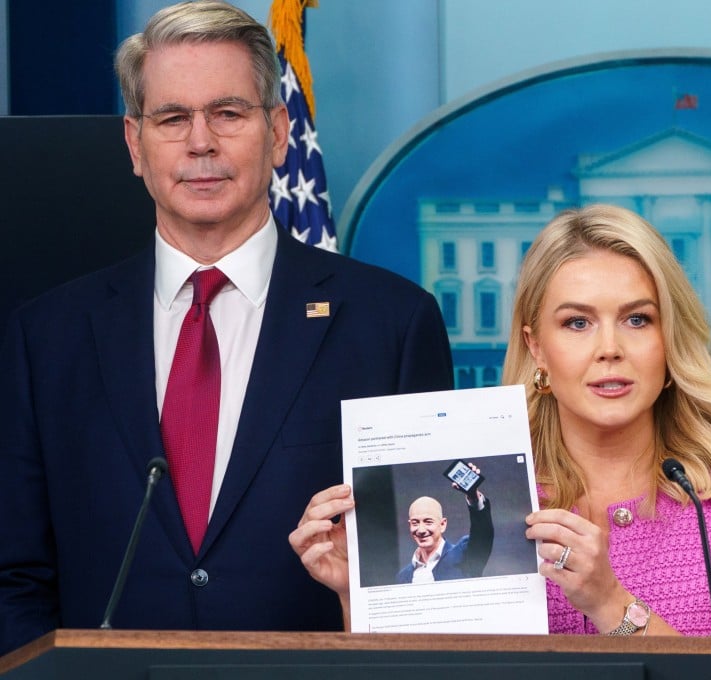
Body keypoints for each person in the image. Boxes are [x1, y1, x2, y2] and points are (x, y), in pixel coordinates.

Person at [0, 0, 452, 655]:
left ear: (277, 132)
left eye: (228, 113)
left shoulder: (392, 325)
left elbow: (425, 576)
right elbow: (15, 579)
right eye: (172, 117)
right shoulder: (47, 338)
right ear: (134, 143)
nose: (201, 142)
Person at [290, 204, 711, 656]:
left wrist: (610, 603)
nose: (609, 348)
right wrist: (360, 598)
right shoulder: (496, 507)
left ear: (670, 341)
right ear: (537, 347)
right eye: (577, 323)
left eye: (638, 319)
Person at [396, 466, 494, 584]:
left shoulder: (464, 555)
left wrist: (473, 496)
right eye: (415, 523)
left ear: (442, 524)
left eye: (428, 521)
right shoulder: (402, 577)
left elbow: (483, 533)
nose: (421, 530)